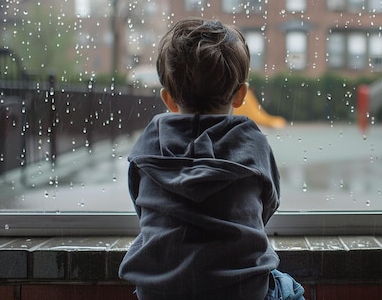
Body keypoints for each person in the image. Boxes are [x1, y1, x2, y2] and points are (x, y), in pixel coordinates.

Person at [119, 18, 305, 300]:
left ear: (168, 99)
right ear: (241, 94)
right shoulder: (251, 140)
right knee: (288, 287)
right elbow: (267, 205)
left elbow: (141, 205)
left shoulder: (150, 139)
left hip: (159, 291)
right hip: (241, 292)